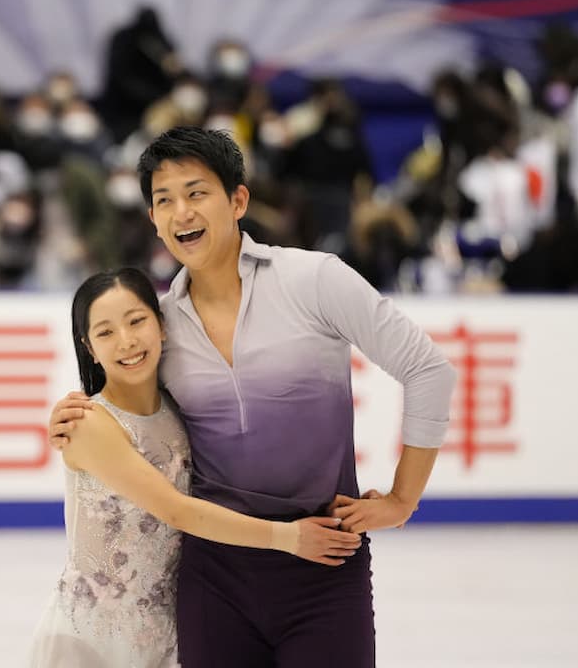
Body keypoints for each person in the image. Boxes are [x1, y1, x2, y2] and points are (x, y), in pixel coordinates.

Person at [50, 127, 456, 666]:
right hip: (213, 576)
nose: (181, 213)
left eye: (197, 193)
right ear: (152, 218)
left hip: (325, 560)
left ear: (237, 199)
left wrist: (404, 499)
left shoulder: (314, 280)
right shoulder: (162, 324)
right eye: (164, 201)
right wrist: (76, 409)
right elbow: (127, 406)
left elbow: (428, 369)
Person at [31, 267, 363, 668]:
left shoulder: (177, 409)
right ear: (88, 347)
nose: (127, 341)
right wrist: (288, 537)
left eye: (137, 321)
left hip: (163, 632)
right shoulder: (88, 423)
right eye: (105, 333)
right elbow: (176, 510)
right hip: (93, 636)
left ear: (162, 327)